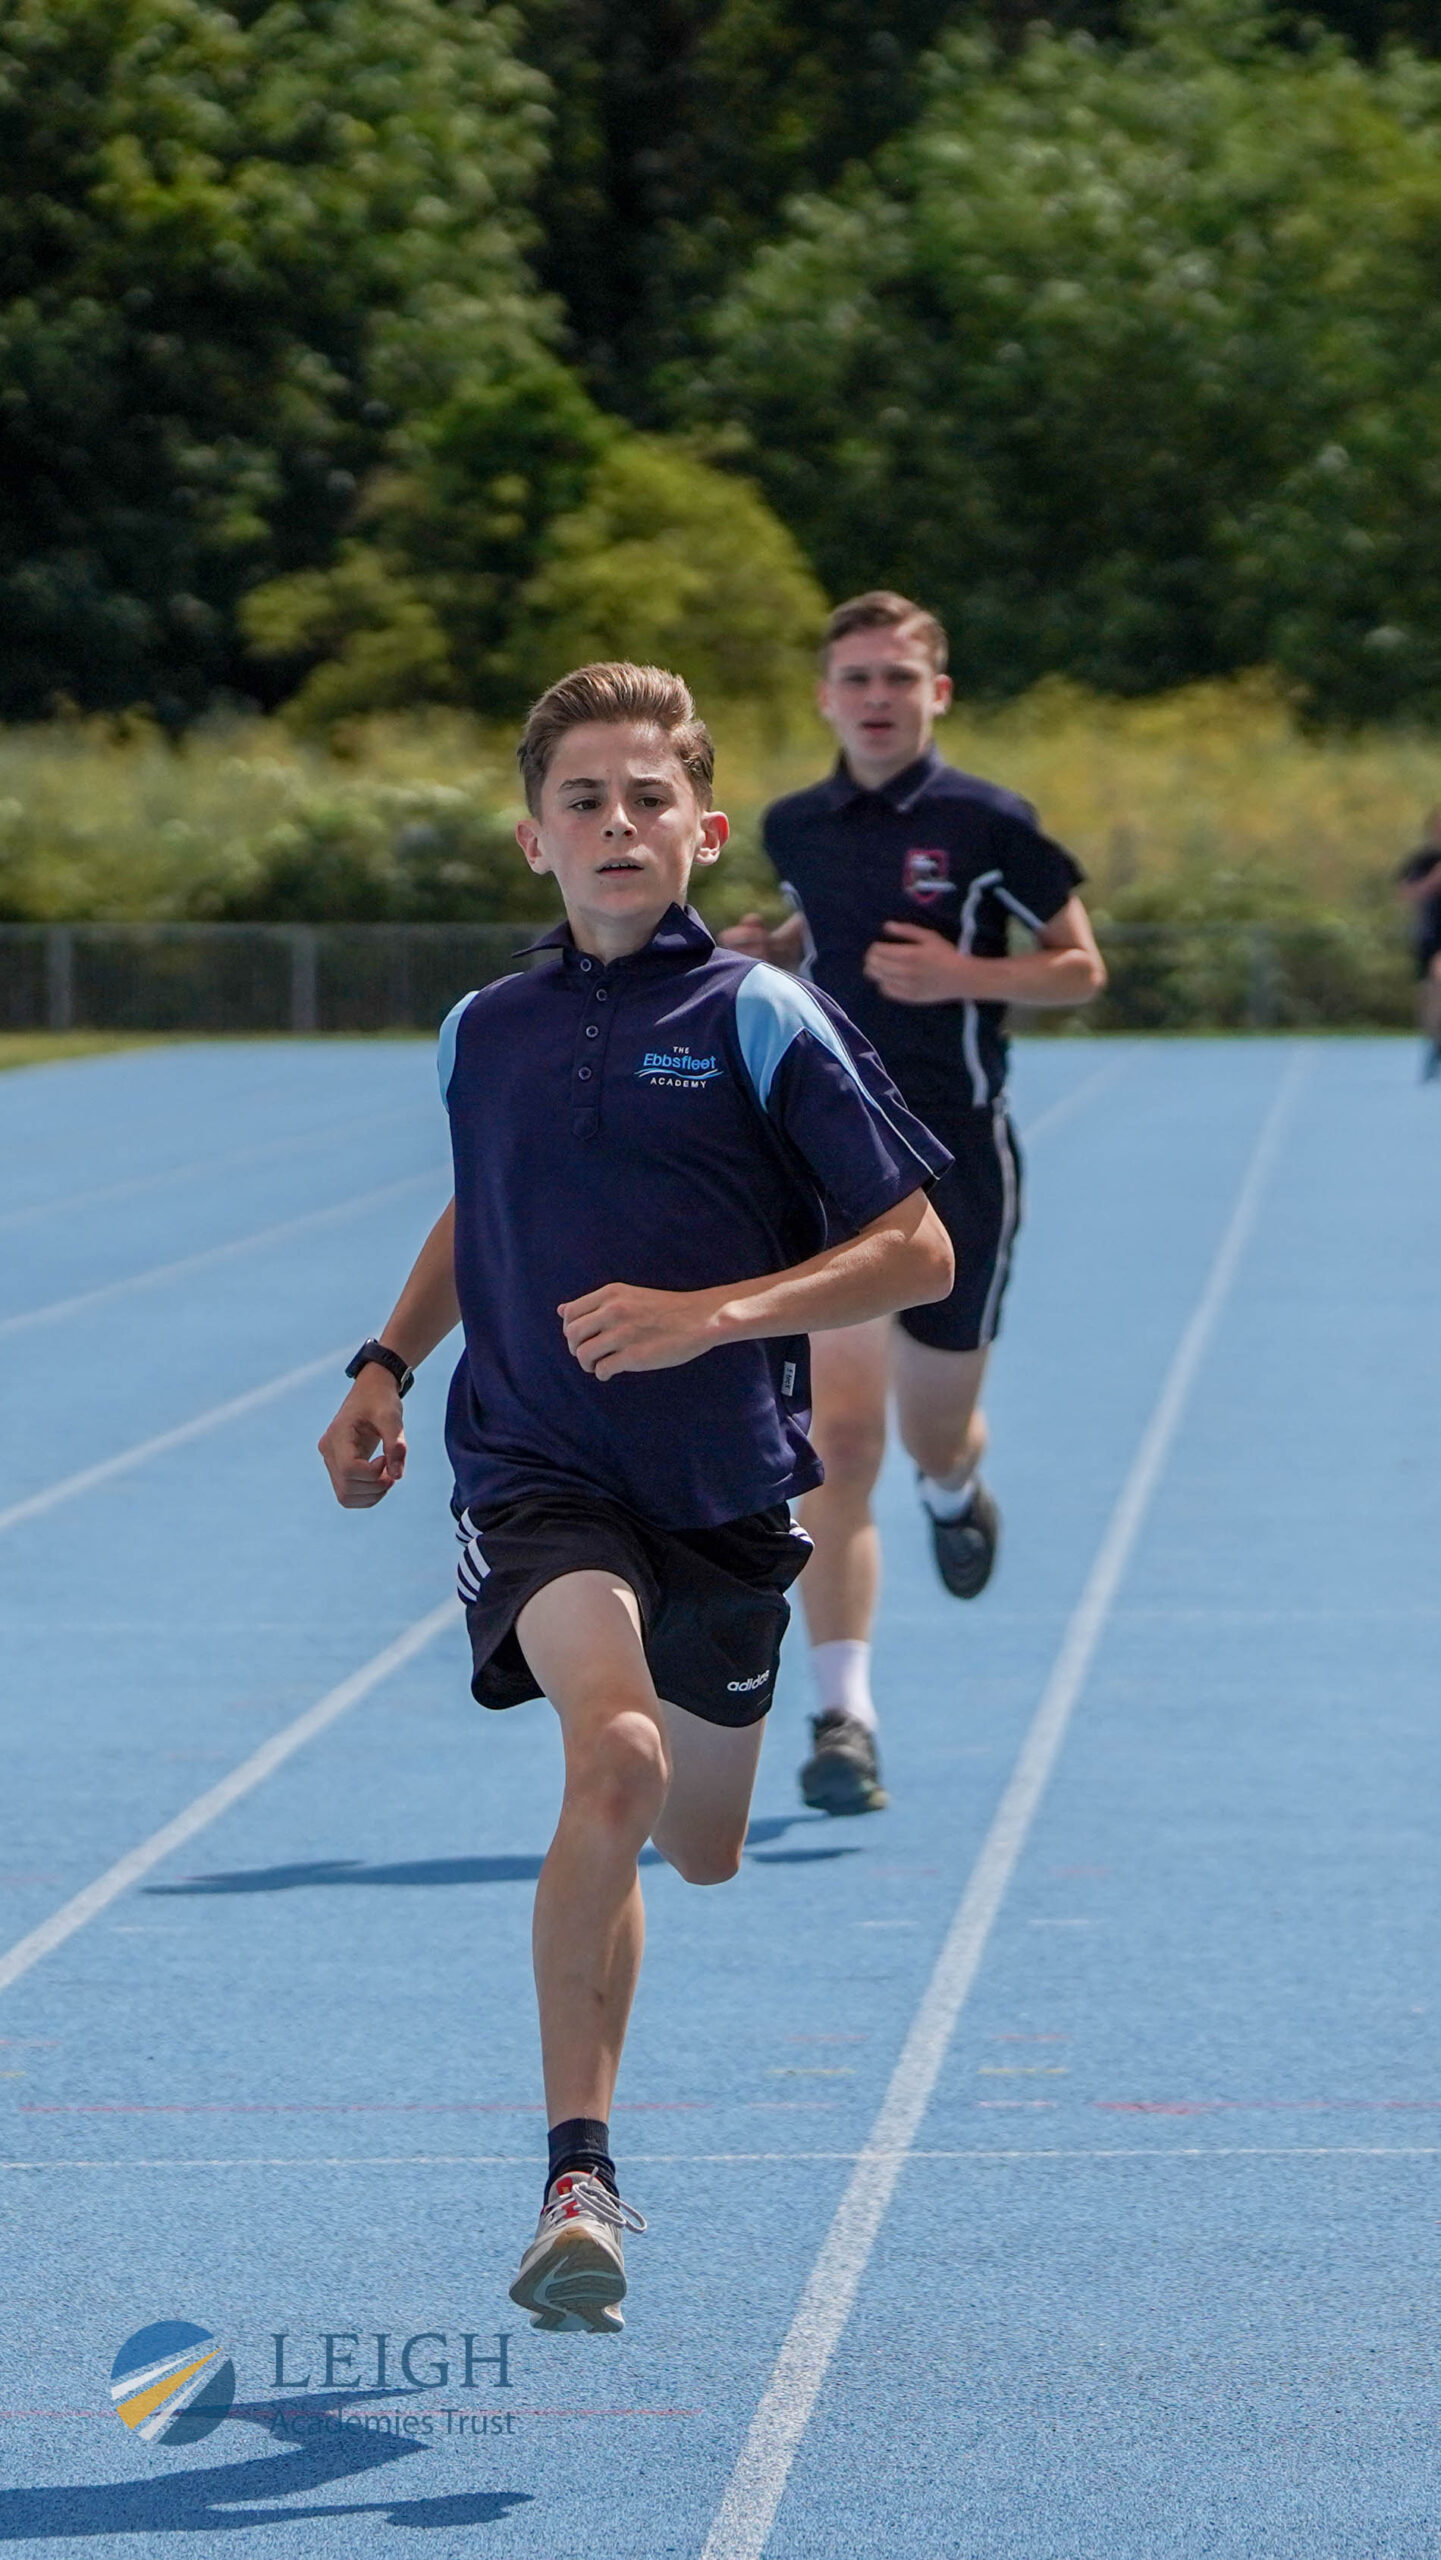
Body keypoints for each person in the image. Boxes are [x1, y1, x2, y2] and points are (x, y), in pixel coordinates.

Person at [317, 661, 953, 2336]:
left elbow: (916, 1245)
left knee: (702, 1843)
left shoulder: (756, 1015)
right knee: (611, 1752)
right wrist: (383, 1363)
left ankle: (602, 2089)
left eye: (647, 798)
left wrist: (715, 1317)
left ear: (703, 828)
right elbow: (482, 1215)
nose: (616, 823)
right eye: (583, 799)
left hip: (726, 1489)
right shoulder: (485, 1031)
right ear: (533, 839)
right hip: (535, 1468)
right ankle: (575, 2178)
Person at [722, 592, 1105, 1818]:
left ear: (936, 693)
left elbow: (1080, 965)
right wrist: (770, 952)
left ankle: (954, 1489)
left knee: (932, 1432)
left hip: (960, 1168)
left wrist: (964, 975)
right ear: (825, 696)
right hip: (831, 1161)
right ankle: (845, 1718)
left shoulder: (988, 821)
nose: (876, 698)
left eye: (898, 677)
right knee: (836, 1442)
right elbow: (818, 933)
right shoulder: (796, 823)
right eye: (855, 678)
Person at [1396, 806, 1441, 1080]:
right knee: (1429, 999)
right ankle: (1435, 1043)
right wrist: (1434, 880)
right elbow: (1407, 894)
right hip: (1429, 936)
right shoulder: (1422, 861)